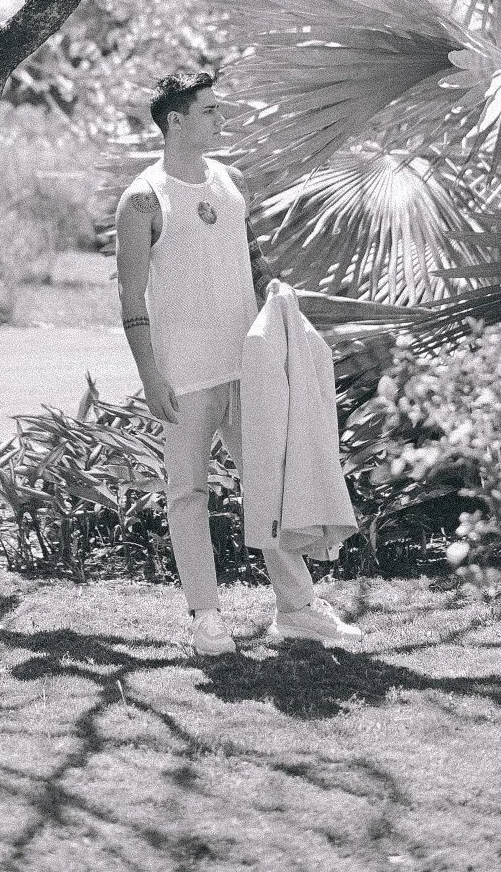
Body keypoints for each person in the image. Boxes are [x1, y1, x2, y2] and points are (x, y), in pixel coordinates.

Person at [115, 68, 363, 656]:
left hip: (248, 368)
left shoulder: (231, 182)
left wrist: (275, 303)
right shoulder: (142, 199)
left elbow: (249, 264)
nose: (221, 119)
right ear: (176, 121)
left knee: (271, 484)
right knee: (188, 493)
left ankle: (296, 609)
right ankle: (206, 617)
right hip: (184, 375)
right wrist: (151, 377)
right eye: (209, 111)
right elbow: (130, 299)